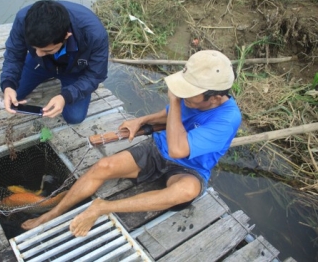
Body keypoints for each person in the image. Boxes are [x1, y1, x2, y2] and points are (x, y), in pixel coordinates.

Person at [21, 50, 242, 236]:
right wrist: (141, 120)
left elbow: (178, 149)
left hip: (189, 168)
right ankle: (52, 213)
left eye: (189, 95)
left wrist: (175, 100)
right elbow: (167, 117)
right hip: (157, 149)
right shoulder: (194, 100)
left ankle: (102, 207)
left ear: (214, 97)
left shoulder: (228, 119)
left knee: (185, 192)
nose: (184, 98)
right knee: (104, 166)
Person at [0, 0, 109, 124]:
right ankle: (44, 68)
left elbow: (95, 75)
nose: (39, 53)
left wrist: (65, 97)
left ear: (66, 36)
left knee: (75, 117)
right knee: (13, 94)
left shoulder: (94, 34)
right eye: (34, 48)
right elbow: (14, 55)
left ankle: (62, 79)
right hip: (38, 63)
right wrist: (8, 84)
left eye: (46, 50)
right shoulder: (24, 20)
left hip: (74, 69)